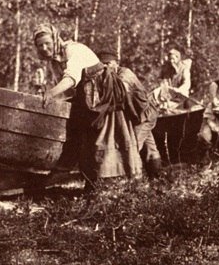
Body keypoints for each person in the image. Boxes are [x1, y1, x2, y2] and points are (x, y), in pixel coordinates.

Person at [33, 23, 142, 187]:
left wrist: (50, 93)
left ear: (55, 40)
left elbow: (71, 78)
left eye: (47, 43)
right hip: (87, 98)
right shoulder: (54, 62)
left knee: (104, 138)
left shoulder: (72, 50)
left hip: (103, 95)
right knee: (82, 137)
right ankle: (86, 180)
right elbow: (68, 90)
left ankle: (114, 182)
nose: (44, 48)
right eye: (40, 45)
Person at [97, 49, 163, 178]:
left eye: (107, 64)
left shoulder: (124, 76)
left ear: (114, 63)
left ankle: (132, 180)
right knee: (150, 148)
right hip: (140, 115)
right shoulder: (114, 76)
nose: (104, 68)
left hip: (145, 115)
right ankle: (156, 178)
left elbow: (119, 99)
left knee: (132, 146)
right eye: (102, 65)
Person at [153, 46, 192, 111]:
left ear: (178, 58)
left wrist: (178, 90)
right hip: (169, 97)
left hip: (181, 96)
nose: (171, 61)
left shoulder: (184, 69)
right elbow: (161, 81)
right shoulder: (167, 69)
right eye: (170, 59)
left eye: (173, 59)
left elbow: (187, 84)